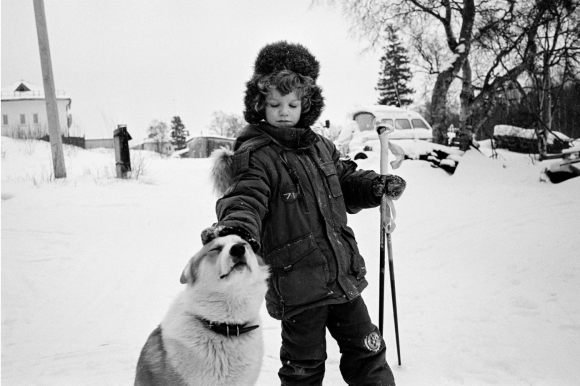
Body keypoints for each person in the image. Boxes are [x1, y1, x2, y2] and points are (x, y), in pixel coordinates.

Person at [201, 41, 405, 386]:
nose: (284, 111)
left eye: (293, 104)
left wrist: (373, 186)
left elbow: (345, 182)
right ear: (259, 105)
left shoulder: (321, 147)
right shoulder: (256, 156)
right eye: (275, 104)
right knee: (304, 368)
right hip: (297, 288)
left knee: (368, 354)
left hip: (343, 279)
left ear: (306, 105)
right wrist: (236, 230)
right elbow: (245, 198)